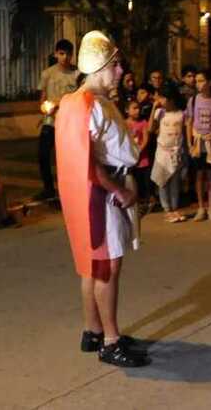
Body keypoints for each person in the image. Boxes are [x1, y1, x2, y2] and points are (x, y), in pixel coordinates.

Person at [55, 30, 148, 367]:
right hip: (100, 194)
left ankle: (93, 330)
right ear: (99, 67)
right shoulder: (87, 104)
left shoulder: (75, 101)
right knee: (107, 267)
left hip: (91, 192)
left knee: (90, 267)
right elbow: (87, 162)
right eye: (115, 64)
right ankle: (111, 341)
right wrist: (119, 188)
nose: (121, 71)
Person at [36, 38, 80, 200]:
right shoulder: (47, 74)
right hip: (51, 121)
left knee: (67, 158)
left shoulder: (77, 74)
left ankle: (69, 188)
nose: (65, 58)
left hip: (69, 122)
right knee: (43, 154)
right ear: (56, 54)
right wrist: (46, 107)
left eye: (68, 54)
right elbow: (42, 98)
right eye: (61, 54)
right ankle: (48, 189)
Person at [185, 70, 211, 222]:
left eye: (201, 80)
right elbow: (189, 122)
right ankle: (201, 207)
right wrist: (189, 142)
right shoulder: (193, 100)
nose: (198, 83)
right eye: (197, 80)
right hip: (197, 142)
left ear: (210, 82)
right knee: (199, 175)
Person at [150, 84, 187, 223]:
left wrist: (185, 150)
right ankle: (167, 209)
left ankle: (175, 207)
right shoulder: (160, 113)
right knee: (163, 181)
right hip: (162, 152)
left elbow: (183, 132)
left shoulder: (181, 114)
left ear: (170, 99)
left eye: (161, 98)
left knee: (174, 181)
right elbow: (150, 129)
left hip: (176, 151)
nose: (159, 100)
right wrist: (154, 109)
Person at [124, 101, 151, 210]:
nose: (138, 110)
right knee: (132, 182)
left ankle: (145, 202)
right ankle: (135, 202)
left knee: (143, 182)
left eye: (138, 108)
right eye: (134, 108)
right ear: (127, 110)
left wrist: (139, 150)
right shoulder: (123, 123)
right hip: (129, 159)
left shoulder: (143, 123)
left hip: (142, 159)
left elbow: (145, 139)